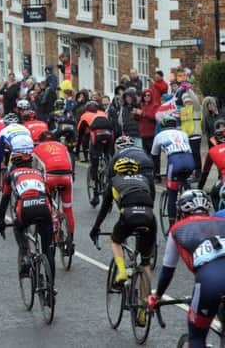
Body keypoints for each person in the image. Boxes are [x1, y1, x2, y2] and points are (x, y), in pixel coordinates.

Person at [148, 190, 225, 348]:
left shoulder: (178, 229)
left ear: (181, 212)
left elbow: (168, 270)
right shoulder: (221, 221)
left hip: (211, 280)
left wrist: (157, 296)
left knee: (196, 337)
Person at [89, 158, 156, 288]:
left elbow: (104, 209)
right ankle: (144, 305)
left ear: (117, 171)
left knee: (115, 240)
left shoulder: (114, 181)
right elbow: (151, 199)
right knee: (145, 263)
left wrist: (95, 228)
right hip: (149, 216)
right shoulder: (145, 179)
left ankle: (121, 271)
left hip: (129, 215)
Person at [9, 149, 55, 277]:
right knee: (48, 251)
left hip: (26, 209)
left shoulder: (12, 174)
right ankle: (51, 290)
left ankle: (25, 256)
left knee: (18, 228)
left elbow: (5, 199)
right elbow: (48, 196)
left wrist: (1, 221)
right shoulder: (39, 173)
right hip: (44, 208)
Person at [33, 134, 75, 252]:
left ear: (40, 141)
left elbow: (34, 171)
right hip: (67, 176)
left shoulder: (36, 149)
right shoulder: (62, 146)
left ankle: (52, 234)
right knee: (68, 209)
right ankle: (70, 241)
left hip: (50, 177)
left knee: (48, 207)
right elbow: (71, 164)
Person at [152, 115, 195, 227]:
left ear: (162, 126)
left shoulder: (159, 135)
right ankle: (192, 210)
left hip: (174, 162)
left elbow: (155, 156)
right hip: (189, 160)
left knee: (172, 193)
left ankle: (172, 227)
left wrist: (156, 174)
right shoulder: (183, 133)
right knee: (187, 186)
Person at [0, 126, 33, 237]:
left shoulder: (2, 132)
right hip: (29, 145)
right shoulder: (24, 128)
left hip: (15, 149)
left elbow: (1, 152)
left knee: (11, 173)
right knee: (28, 168)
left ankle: (12, 186)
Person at [77, 101, 114, 206]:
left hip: (96, 139)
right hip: (108, 136)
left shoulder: (85, 116)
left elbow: (80, 134)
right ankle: (109, 169)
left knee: (94, 164)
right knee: (107, 156)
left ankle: (95, 193)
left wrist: (77, 150)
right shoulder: (103, 113)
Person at [198, 120, 225, 208]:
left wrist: (199, 188)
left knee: (214, 195)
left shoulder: (212, 151)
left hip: (223, 181)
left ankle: (219, 219)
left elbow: (205, 172)